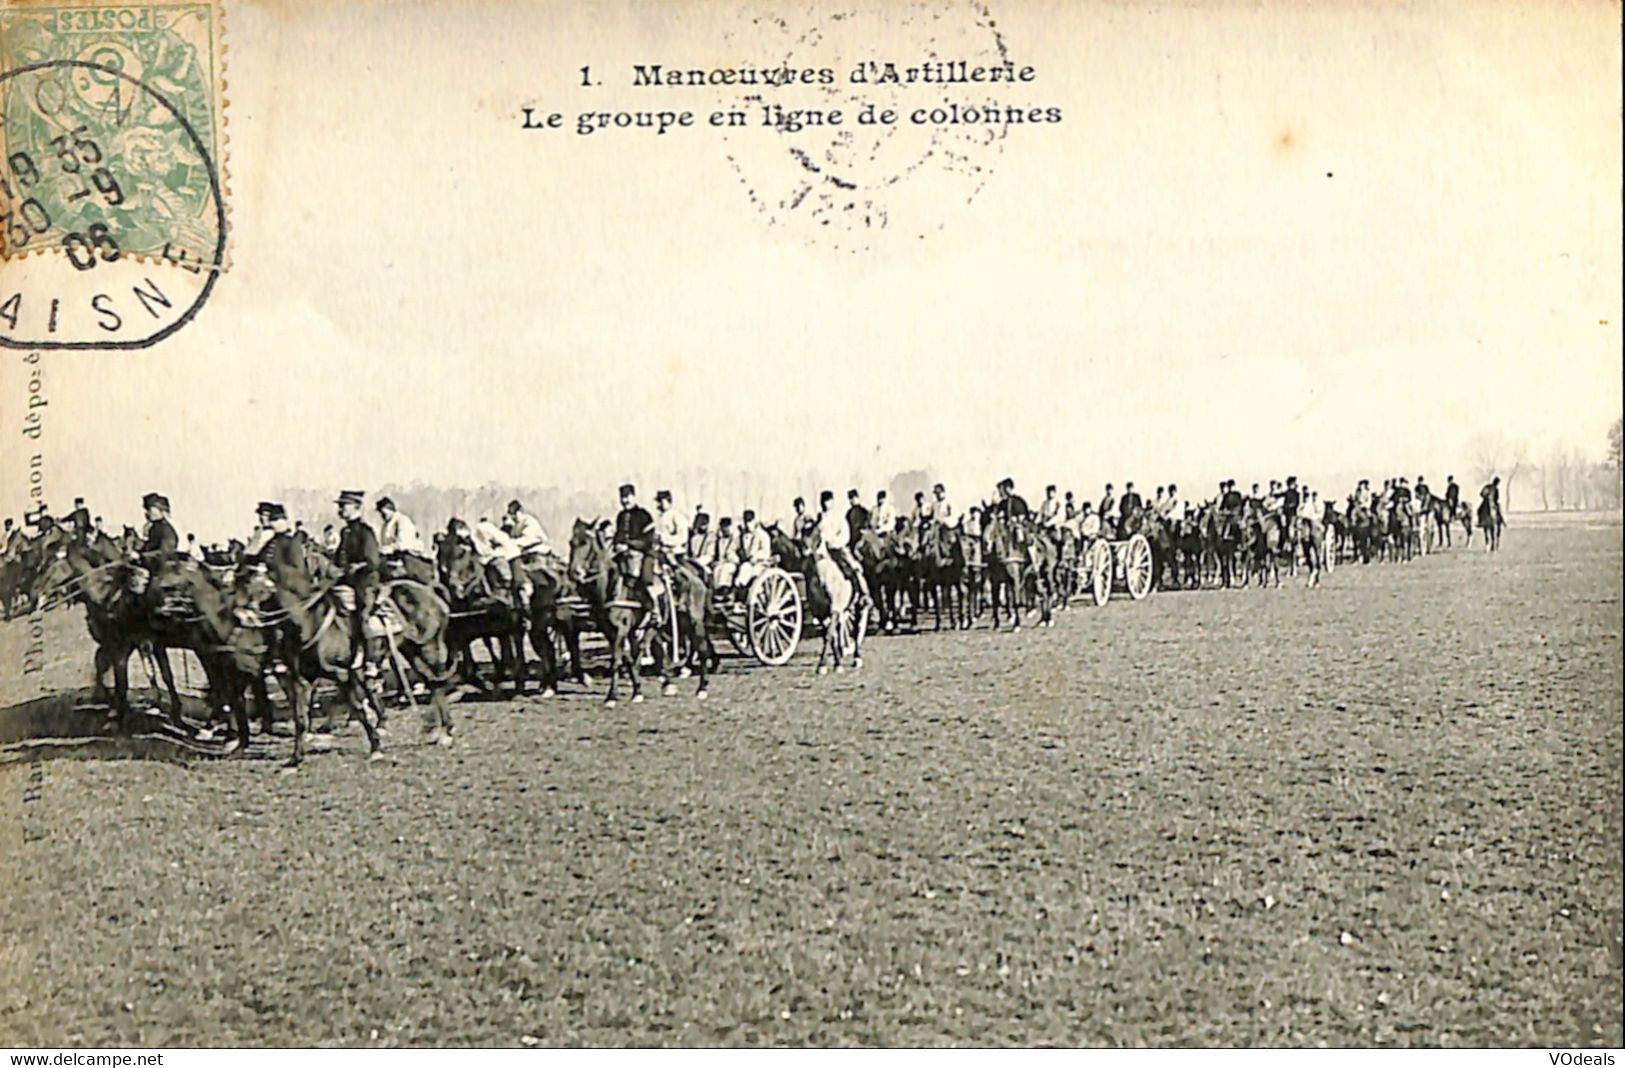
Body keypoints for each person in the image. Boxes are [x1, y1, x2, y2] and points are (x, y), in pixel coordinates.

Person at [332, 490, 380, 674]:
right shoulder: (345, 531)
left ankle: (370, 659)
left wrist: (356, 567)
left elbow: (373, 561)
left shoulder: (365, 531)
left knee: (363, 613)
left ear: (357, 507)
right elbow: (338, 559)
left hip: (365, 580)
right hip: (347, 580)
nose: (340, 509)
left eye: (344, 505)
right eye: (340, 506)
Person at [817, 490, 870, 601]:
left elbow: (845, 534)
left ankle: (862, 594)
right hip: (823, 550)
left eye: (828, 501)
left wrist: (834, 543)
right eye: (824, 501)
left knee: (851, 567)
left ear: (832, 502)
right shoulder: (820, 519)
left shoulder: (838, 517)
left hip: (837, 548)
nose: (826, 504)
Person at [612, 484, 657, 613]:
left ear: (634, 497)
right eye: (622, 497)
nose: (625, 500)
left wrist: (630, 545)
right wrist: (617, 545)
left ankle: (653, 608)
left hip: (641, 553)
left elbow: (648, 539)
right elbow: (618, 535)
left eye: (627, 497)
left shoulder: (644, 515)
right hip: (622, 555)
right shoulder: (620, 516)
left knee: (638, 573)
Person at [734, 509, 774, 590]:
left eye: (750, 521)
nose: (748, 524)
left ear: (754, 521)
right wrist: (737, 558)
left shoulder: (763, 535)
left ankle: (741, 588)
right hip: (745, 563)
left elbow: (765, 552)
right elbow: (734, 548)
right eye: (746, 521)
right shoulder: (741, 536)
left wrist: (754, 557)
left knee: (747, 568)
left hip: (760, 564)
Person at [136, 493, 177, 568]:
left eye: (150, 509)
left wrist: (143, 554)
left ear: (161, 511)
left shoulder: (165, 529)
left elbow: (164, 550)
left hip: (159, 562)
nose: (147, 513)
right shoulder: (154, 527)